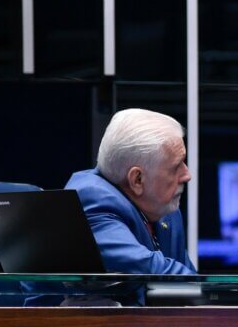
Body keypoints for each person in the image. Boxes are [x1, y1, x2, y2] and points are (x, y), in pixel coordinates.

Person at [66, 108, 196, 275]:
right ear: (137, 179)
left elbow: (186, 277)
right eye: (176, 166)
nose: (187, 175)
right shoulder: (90, 199)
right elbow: (146, 268)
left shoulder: (166, 210)